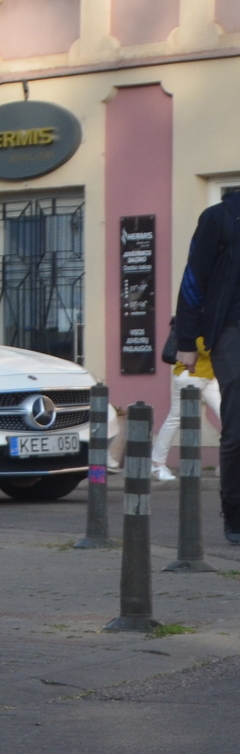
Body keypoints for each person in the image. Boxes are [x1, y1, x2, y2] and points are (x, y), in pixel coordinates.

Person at [165, 193, 240, 542]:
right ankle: (235, 511)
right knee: (238, 426)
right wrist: (185, 341)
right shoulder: (220, 217)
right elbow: (194, 279)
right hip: (231, 333)